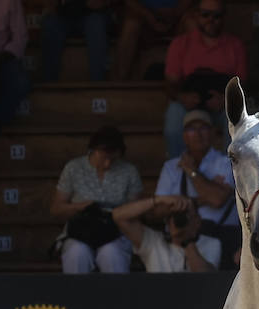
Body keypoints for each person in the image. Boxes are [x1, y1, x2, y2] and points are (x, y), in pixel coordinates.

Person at [163, 0, 247, 157]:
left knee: (237, 117)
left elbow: (242, 84)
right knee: (173, 119)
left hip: (222, 104)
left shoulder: (235, 45)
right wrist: (183, 97)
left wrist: (226, 100)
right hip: (189, 103)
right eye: (205, 15)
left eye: (216, 15)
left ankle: (228, 175)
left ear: (224, 17)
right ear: (196, 16)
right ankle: (179, 173)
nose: (211, 20)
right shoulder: (181, 43)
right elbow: (170, 83)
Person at [52, 125, 143, 273]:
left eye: (113, 158)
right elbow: (56, 209)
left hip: (115, 230)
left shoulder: (129, 171)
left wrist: (117, 214)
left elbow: (136, 212)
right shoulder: (73, 168)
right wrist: (79, 207)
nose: (108, 164)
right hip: (81, 230)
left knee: (111, 254)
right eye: (103, 157)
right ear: (93, 150)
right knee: (77, 253)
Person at [155, 109, 239, 267]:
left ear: (213, 133)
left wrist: (191, 171)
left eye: (204, 128)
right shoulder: (170, 167)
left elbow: (216, 200)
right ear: (184, 136)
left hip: (223, 236)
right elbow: (158, 209)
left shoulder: (226, 162)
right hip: (181, 237)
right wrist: (203, 197)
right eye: (192, 129)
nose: (199, 134)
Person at [30, 0, 117, 82]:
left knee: (97, 24)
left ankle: (98, 88)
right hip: (59, 15)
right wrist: (44, 0)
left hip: (90, 15)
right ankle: (48, 88)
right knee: (50, 25)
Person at [115, 0, 197, 81]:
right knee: (130, 24)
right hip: (144, 18)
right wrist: (149, 16)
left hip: (177, 16)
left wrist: (174, 15)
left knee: (193, 23)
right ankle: (121, 82)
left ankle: (195, 80)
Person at [112, 193, 218, 271]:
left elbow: (206, 278)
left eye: (186, 216)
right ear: (167, 220)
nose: (178, 220)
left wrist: (187, 240)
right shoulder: (153, 241)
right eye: (174, 216)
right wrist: (158, 200)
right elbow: (118, 216)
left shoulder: (211, 243)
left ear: (198, 221)